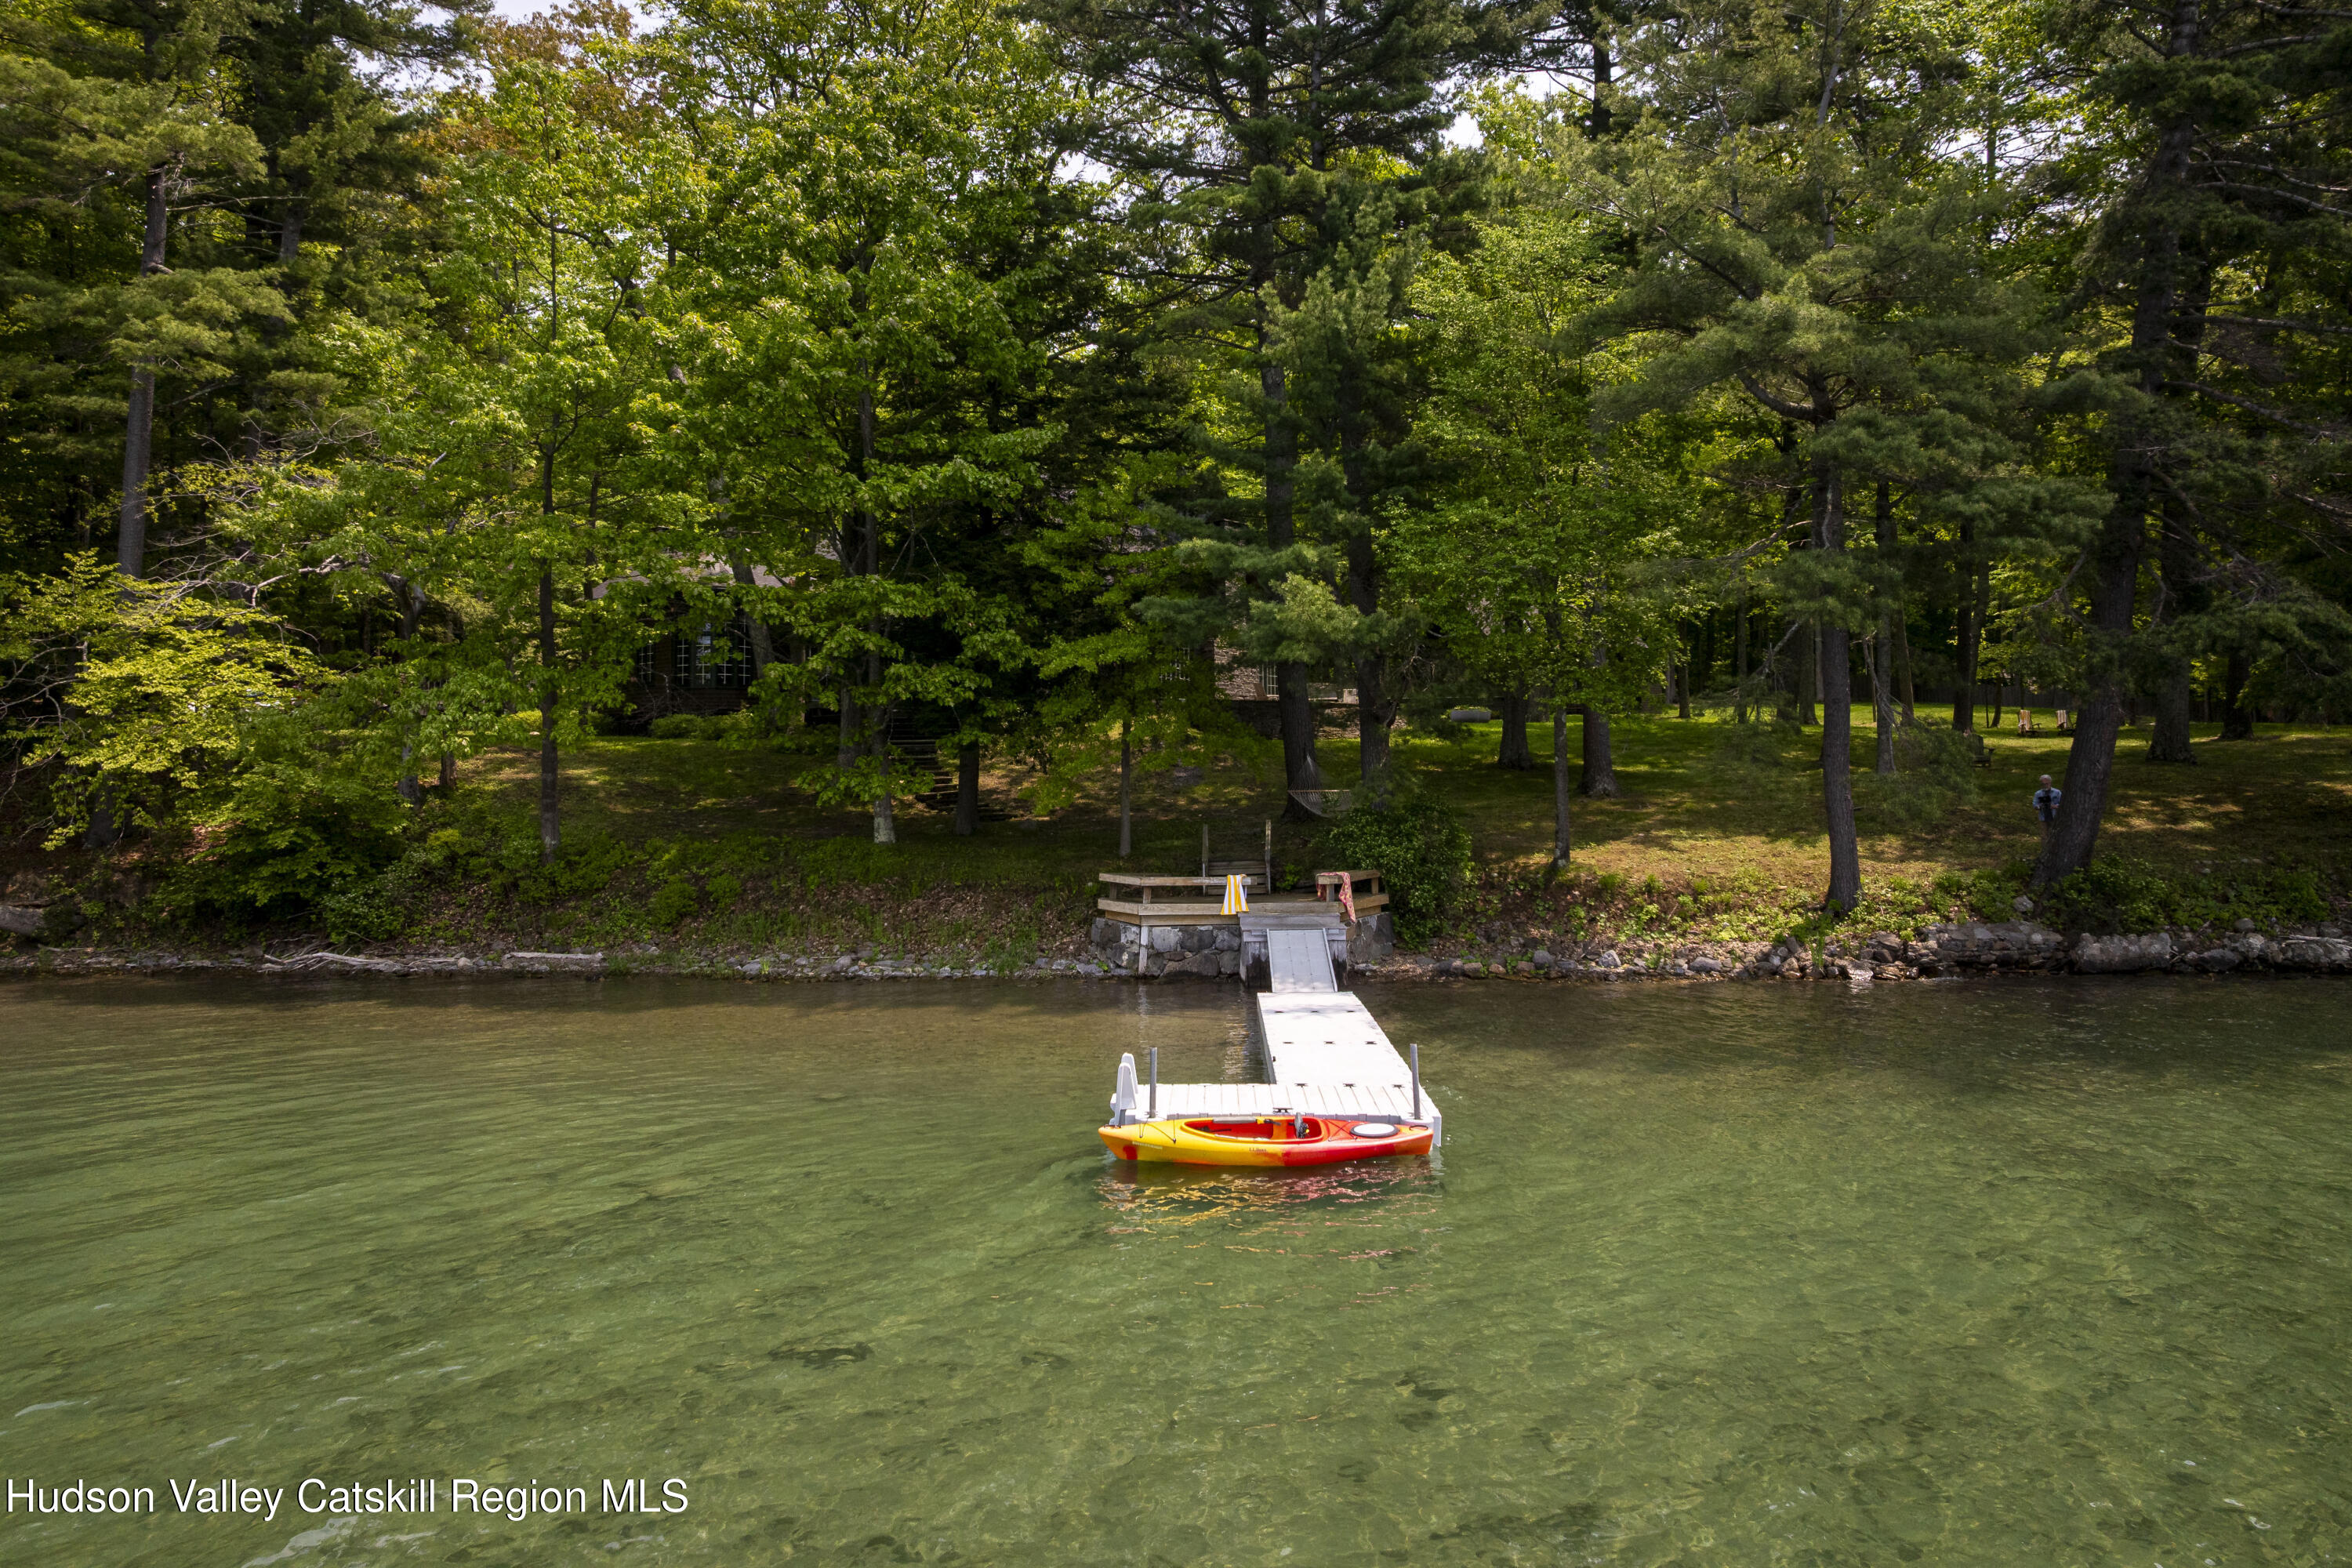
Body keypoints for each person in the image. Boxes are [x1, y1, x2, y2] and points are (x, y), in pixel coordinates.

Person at [2033, 774, 2062, 840]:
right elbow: (2035, 805)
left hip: (2055, 817)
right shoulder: (2038, 793)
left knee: (2055, 835)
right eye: (2043, 784)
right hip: (2043, 817)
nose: (2045, 785)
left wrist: (2055, 806)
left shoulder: (2057, 792)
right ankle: (2045, 849)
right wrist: (2039, 807)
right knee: (2044, 836)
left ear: (2050, 782)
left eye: (2046, 783)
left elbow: (2063, 804)